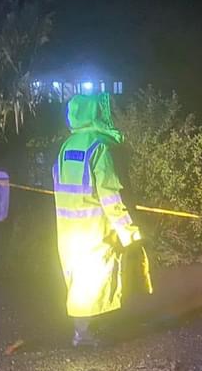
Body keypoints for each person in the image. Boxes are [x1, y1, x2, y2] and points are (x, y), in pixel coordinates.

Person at [52, 92, 152, 347]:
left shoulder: (67, 146)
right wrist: (129, 231)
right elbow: (110, 195)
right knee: (93, 281)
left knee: (78, 280)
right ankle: (84, 334)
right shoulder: (100, 147)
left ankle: (87, 330)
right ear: (96, 113)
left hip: (68, 229)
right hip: (94, 229)